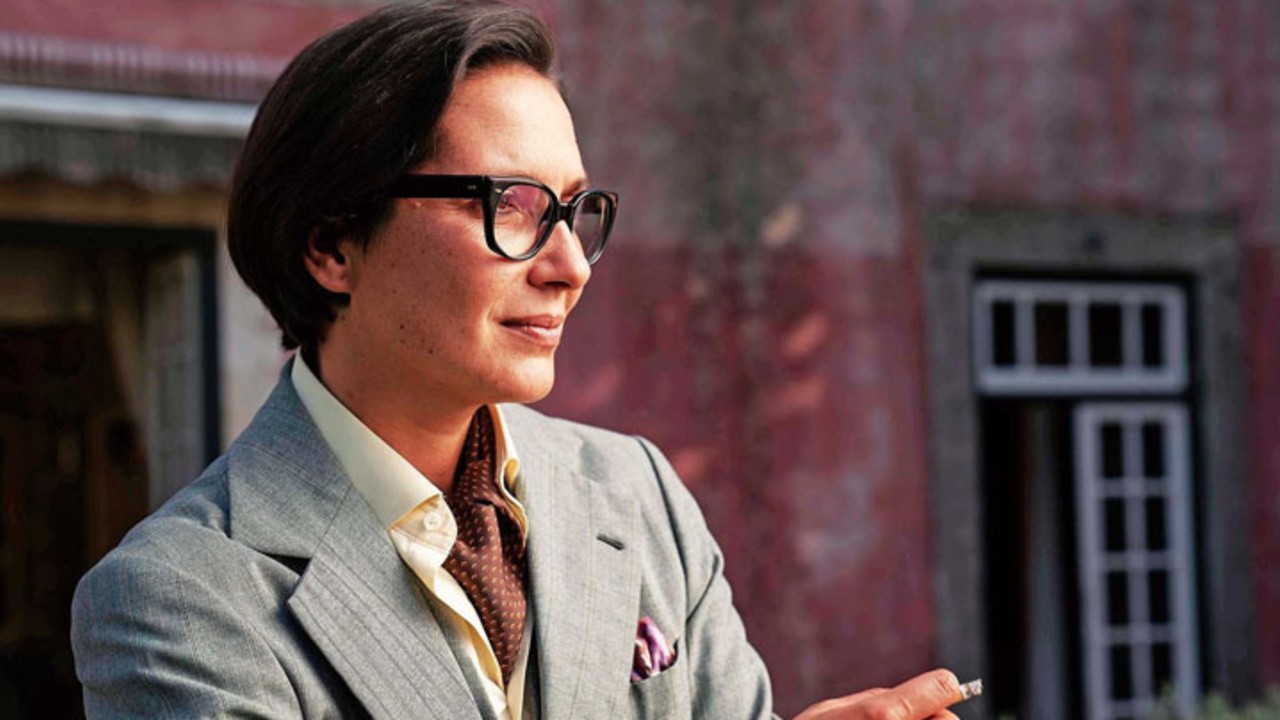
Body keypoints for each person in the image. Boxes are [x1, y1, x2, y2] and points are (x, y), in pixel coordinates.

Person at [70, 2, 967, 718]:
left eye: (575, 210)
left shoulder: (636, 493)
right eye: (512, 204)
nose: (570, 266)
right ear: (332, 245)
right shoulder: (179, 599)